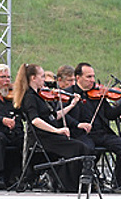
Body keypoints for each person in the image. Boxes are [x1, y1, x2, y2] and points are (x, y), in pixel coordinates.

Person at [13, 63, 91, 192]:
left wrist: (71, 105)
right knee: (79, 147)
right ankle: (72, 185)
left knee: (79, 146)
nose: (44, 80)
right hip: (43, 138)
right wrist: (57, 130)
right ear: (33, 78)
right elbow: (35, 120)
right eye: (42, 76)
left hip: (50, 135)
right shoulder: (29, 97)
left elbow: (54, 116)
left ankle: (73, 184)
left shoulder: (38, 95)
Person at [65, 62, 121, 187]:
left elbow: (110, 114)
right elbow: (63, 116)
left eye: (93, 76)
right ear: (78, 78)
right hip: (81, 134)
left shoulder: (98, 94)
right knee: (87, 149)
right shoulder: (69, 94)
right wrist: (78, 124)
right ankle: (86, 183)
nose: (93, 80)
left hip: (101, 133)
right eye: (88, 77)